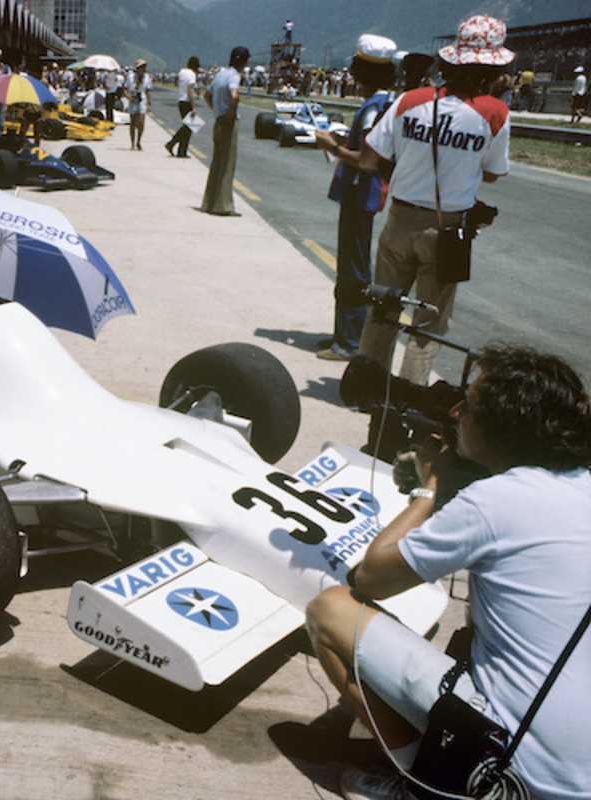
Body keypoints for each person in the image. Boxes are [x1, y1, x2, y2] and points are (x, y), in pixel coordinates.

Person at [305, 344, 591, 800]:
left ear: (502, 427)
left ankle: (420, 786)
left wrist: (430, 487)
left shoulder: (497, 500)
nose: (456, 410)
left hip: (525, 776)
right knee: (469, 642)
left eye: (470, 404)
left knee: (330, 612)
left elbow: (370, 577)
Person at [355, 15, 512, 385]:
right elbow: (492, 173)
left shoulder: (410, 101)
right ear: (492, 69)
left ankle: (365, 386)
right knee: (431, 320)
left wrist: (406, 173)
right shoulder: (494, 113)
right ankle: (407, 397)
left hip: (399, 220)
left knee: (383, 309)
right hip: (448, 227)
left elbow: (368, 159)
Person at [313, 35, 398, 362]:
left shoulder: (372, 108)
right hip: (362, 192)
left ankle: (349, 341)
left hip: (360, 192)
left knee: (353, 267)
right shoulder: (383, 103)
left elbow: (366, 159)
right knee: (354, 263)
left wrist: (330, 146)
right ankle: (346, 332)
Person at [201, 46, 248, 216]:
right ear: (243, 61)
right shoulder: (235, 75)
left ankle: (209, 202)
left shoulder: (220, 74)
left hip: (218, 120)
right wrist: (230, 113)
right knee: (227, 163)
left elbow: (207, 95)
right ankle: (223, 205)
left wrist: (216, 110)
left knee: (216, 162)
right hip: (228, 122)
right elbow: (234, 95)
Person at [165, 56, 200, 157]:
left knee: (189, 127)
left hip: (180, 100)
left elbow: (176, 81)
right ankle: (171, 143)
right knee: (188, 126)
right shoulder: (192, 74)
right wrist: (194, 107)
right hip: (187, 101)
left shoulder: (182, 71)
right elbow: (190, 90)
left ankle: (182, 151)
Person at [125, 59, 152, 150]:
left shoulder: (147, 77)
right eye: (141, 67)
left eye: (144, 67)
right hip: (133, 99)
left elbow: (147, 91)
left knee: (141, 122)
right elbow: (125, 89)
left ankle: (138, 141)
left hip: (142, 100)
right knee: (132, 122)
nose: (143, 69)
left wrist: (149, 103)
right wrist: (128, 97)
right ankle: (132, 143)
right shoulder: (130, 77)